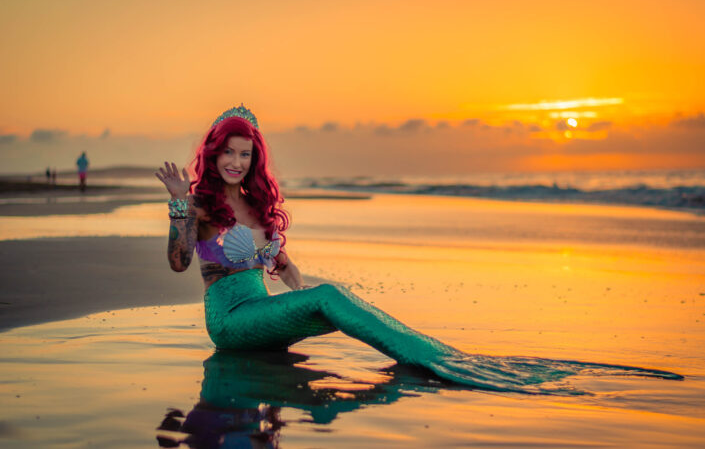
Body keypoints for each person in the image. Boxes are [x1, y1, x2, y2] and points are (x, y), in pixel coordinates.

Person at [155, 105, 682, 393]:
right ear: (213, 152)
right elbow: (181, 263)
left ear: (254, 159)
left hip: (263, 319)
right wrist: (178, 206)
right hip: (229, 322)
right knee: (330, 298)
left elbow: (285, 271)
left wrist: (300, 290)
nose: (236, 162)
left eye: (246, 155)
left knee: (334, 298)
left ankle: (434, 352)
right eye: (228, 152)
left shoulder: (256, 206)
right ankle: (434, 361)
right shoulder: (200, 205)